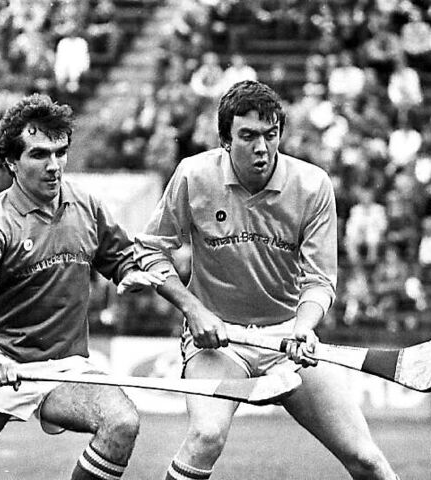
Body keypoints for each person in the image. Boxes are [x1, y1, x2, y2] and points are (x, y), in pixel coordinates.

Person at [134, 80, 399, 480]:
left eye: (270, 135)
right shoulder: (194, 175)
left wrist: (304, 329)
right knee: (206, 436)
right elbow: (151, 249)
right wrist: (194, 311)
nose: (262, 147)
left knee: (367, 460)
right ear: (225, 140)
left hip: (287, 338)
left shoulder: (312, 186)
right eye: (248, 136)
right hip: (219, 341)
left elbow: (319, 280)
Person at [0, 93, 165, 480]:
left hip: (66, 367)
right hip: (0, 364)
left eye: (60, 152)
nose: (54, 165)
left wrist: (128, 273)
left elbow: (117, 256)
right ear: (11, 162)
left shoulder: (87, 206)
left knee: (121, 423)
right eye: (39, 155)